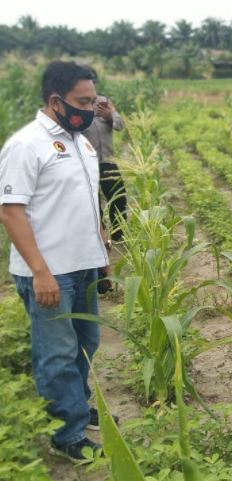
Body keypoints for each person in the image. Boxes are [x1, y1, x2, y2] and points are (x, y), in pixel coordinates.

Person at [0, 61, 112, 462]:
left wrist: (100, 247)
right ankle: (67, 433)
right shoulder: (26, 145)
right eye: (83, 102)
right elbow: (11, 211)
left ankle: (76, 406)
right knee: (58, 352)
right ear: (55, 101)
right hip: (50, 272)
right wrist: (40, 271)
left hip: (82, 264)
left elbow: (85, 198)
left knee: (87, 343)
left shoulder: (80, 140)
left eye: (93, 100)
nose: (90, 108)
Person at [82, 70, 126, 242]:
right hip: (86, 163)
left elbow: (120, 125)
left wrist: (109, 116)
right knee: (93, 201)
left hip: (108, 161)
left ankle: (119, 234)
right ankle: (99, 236)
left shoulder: (105, 102)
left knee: (119, 198)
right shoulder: (76, 106)